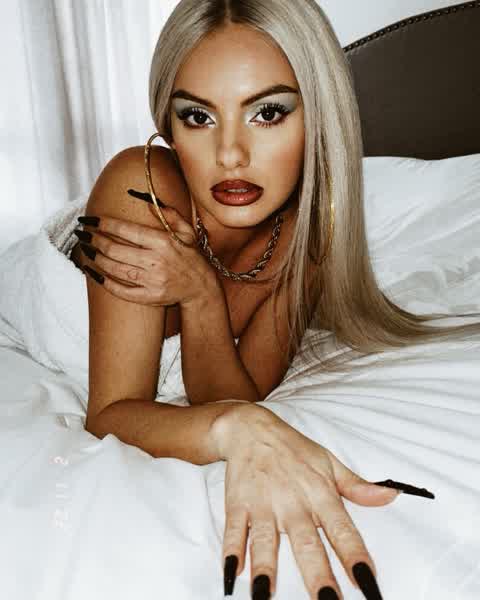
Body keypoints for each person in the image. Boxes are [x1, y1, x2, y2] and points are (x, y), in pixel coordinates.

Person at [70, 1, 480, 599]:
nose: (230, 155)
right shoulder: (142, 188)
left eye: (267, 113)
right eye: (198, 117)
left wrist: (201, 294)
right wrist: (239, 430)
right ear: (168, 125)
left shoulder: (308, 240)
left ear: (318, 117)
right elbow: (110, 414)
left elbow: (232, 395)